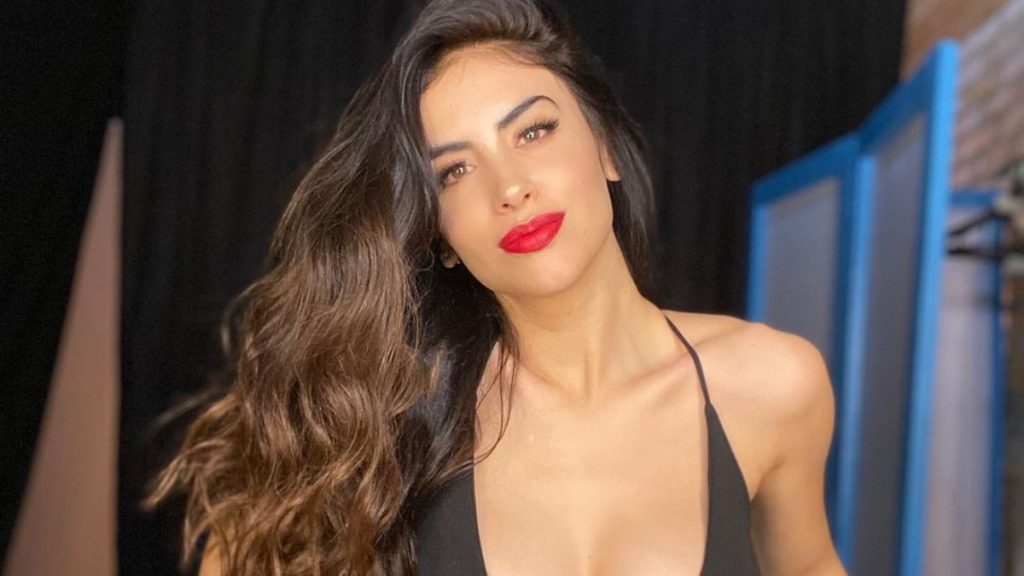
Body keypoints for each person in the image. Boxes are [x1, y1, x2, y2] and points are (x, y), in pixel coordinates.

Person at [150, 0, 846, 574]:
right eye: (454, 171)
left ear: (605, 148)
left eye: (534, 131)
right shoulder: (390, 418)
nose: (509, 186)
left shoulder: (772, 386)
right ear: (441, 239)